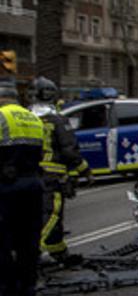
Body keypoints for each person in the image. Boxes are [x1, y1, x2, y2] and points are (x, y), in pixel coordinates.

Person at [30, 77, 90, 263]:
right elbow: (69, 151)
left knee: (37, 214)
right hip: (51, 177)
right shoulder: (58, 121)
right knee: (52, 215)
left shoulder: (26, 118)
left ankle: (58, 251)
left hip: (29, 176)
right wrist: (85, 171)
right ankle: (33, 252)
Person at [0, 78, 47, 296]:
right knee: (28, 241)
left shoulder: (1, 116)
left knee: (3, 243)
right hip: (32, 185)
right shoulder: (32, 118)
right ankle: (27, 290)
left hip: (6, 187)